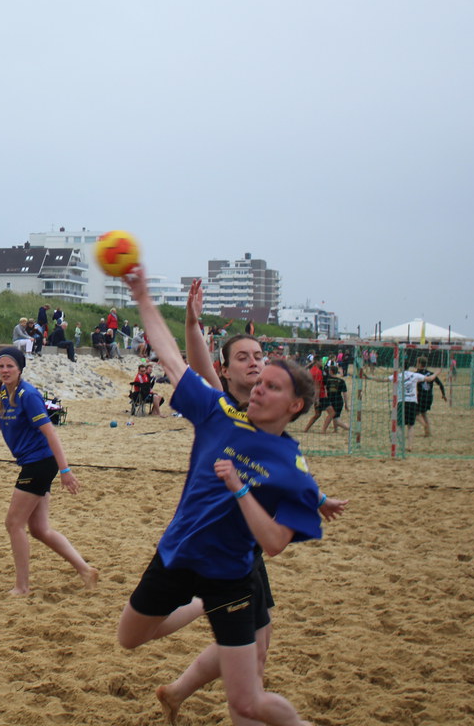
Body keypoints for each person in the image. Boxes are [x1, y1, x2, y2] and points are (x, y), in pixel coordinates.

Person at [117, 265, 326, 726]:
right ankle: (196, 611)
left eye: (270, 382)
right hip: (176, 555)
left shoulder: (292, 468)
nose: (259, 383)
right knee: (128, 638)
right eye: (256, 376)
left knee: (248, 699)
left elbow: (275, 542)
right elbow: (174, 362)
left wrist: (243, 489)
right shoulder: (218, 411)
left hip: (231, 576)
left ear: (294, 406)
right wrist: (144, 298)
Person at [0, 347, 96, 595]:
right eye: (1, 366)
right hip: (33, 462)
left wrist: (65, 470)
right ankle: (85, 570)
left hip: (40, 462)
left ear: (20, 369)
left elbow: (51, 433)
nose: (5, 370)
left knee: (14, 523)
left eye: (10, 366)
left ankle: (22, 587)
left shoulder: (29, 395)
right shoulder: (1, 393)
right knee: (39, 529)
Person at [414, 357, 445, 436]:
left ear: (419, 364)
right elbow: (440, 384)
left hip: (420, 397)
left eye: (417, 363)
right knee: (424, 413)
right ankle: (428, 432)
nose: (416, 364)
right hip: (429, 397)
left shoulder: (416, 374)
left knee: (414, 414)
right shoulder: (431, 373)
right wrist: (443, 394)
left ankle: (425, 426)